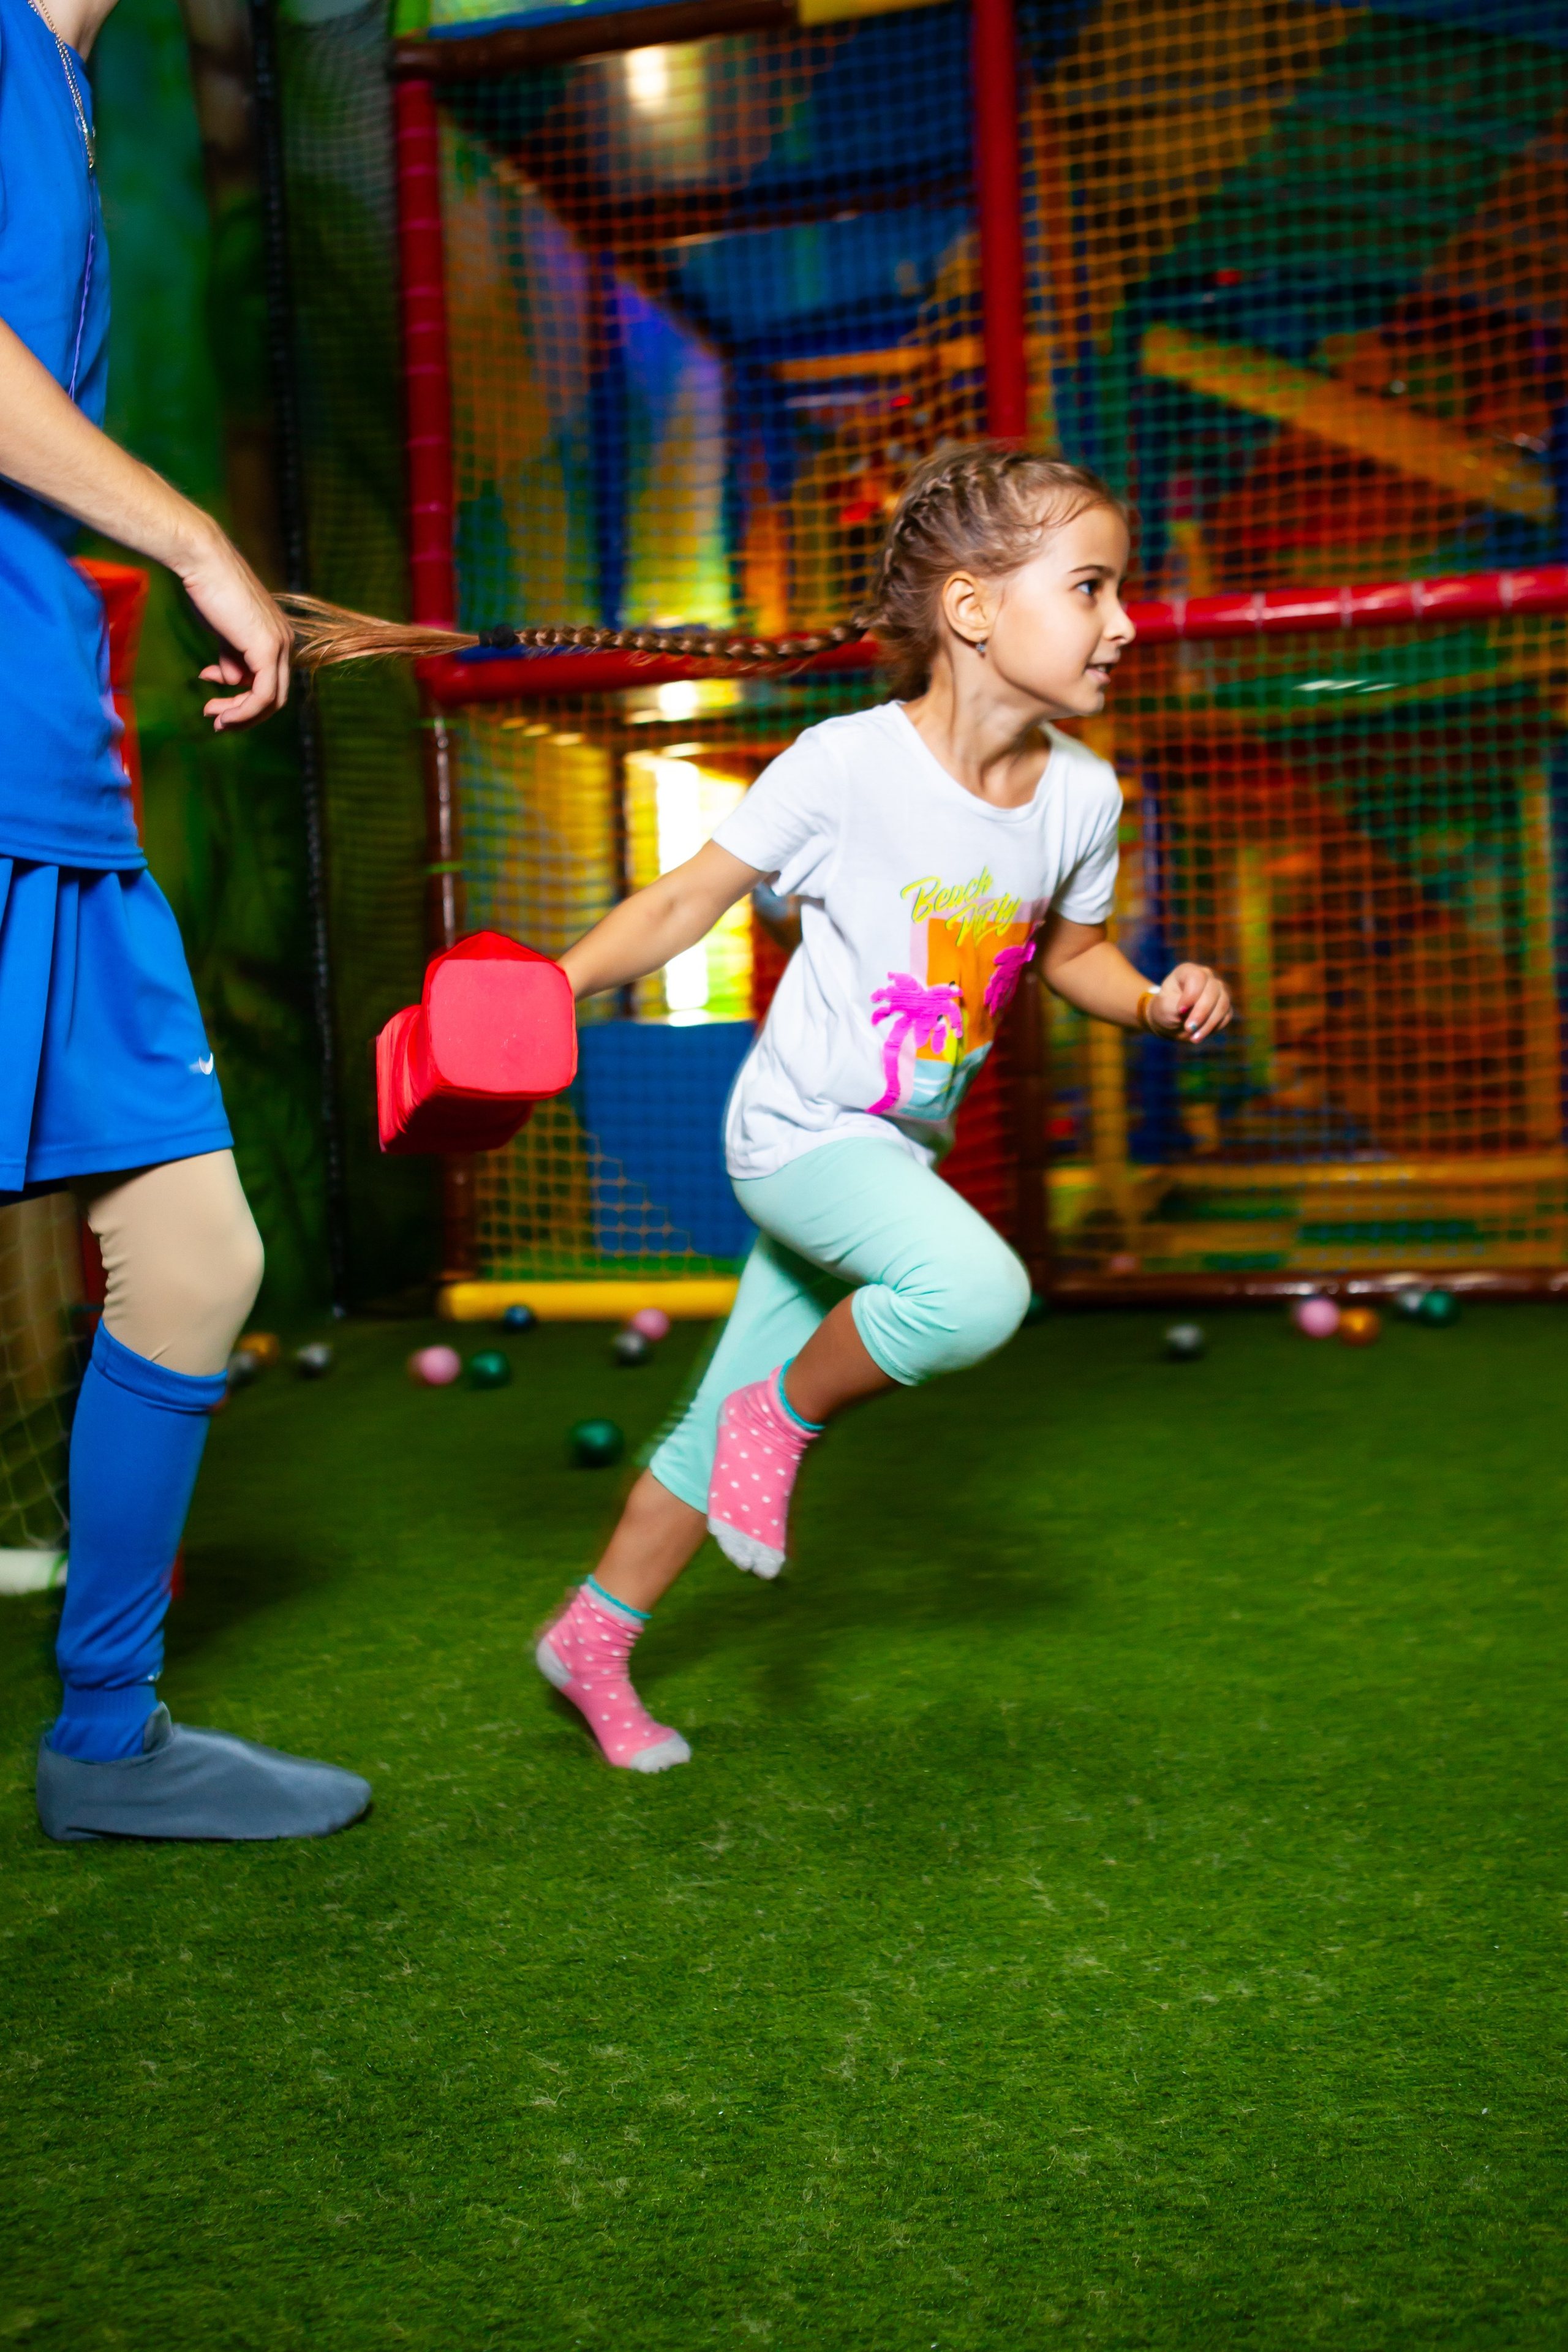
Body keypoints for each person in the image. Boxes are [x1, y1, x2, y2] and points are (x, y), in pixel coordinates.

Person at [290, 442, 1233, 1774]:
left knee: (703, 1430)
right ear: (971, 610)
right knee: (973, 1293)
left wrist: (1154, 999)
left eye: (1116, 591)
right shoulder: (844, 766)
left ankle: (591, 1639)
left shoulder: (1082, 794)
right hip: (798, 1138)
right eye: (1089, 588)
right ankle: (776, 1424)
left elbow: (1070, 954)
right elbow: (686, 900)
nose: (1124, 621)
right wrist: (540, 993)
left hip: (894, 1149)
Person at [2, 0, 369, 1837]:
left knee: (200, 1254)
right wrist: (198, 540)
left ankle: (106, 1737)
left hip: (50, 749)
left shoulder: (67, 76)